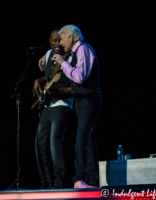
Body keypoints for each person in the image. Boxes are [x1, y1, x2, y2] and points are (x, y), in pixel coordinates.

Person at [50, 25, 102, 188]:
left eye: (62, 39)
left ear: (70, 38)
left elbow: (79, 76)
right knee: (87, 139)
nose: (60, 43)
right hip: (82, 101)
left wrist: (63, 62)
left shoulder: (83, 50)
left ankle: (79, 179)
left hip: (89, 99)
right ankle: (92, 182)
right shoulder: (74, 53)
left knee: (81, 139)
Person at [33, 26, 73, 189]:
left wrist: (54, 89)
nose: (57, 43)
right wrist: (40, 80)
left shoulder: (69, 56)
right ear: (49, 42)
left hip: (63, 103)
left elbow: (72, 81)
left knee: (54, 140)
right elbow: (50, 77)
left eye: (60, 40)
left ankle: (59, 183)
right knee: (40, 143)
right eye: (54, 40)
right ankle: (46, 184)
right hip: (48, 104)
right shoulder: (48, 55)